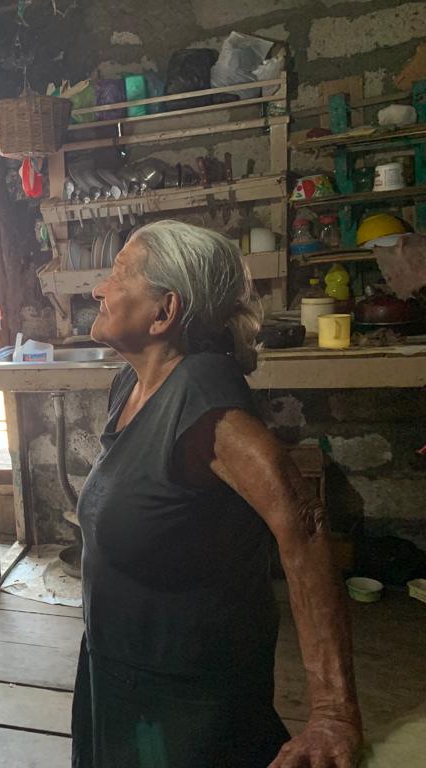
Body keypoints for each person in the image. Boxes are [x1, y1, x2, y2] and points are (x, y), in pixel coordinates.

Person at [74, 220, 361, 768]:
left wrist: (333, 715)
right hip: (121, 672)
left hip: (185, 701)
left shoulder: (203, 399)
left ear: (164, 312)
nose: (98, 289)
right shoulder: (131, 385)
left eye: (118, 275)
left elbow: (305, 528)